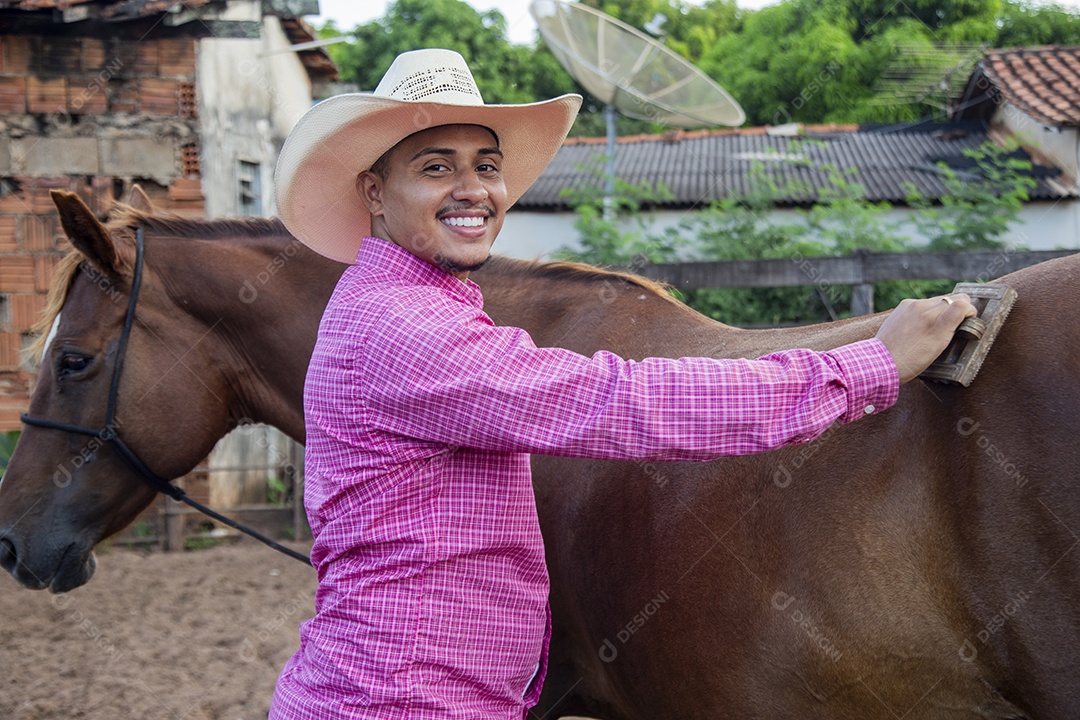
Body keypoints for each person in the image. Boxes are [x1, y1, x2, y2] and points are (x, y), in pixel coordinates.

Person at [269, 48, 976, 720]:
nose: (473, 190)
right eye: (435, 167)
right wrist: (871, 365)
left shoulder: (411, 305)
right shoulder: (402, 328)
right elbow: (623, 403)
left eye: (486, 165)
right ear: (374, 192)